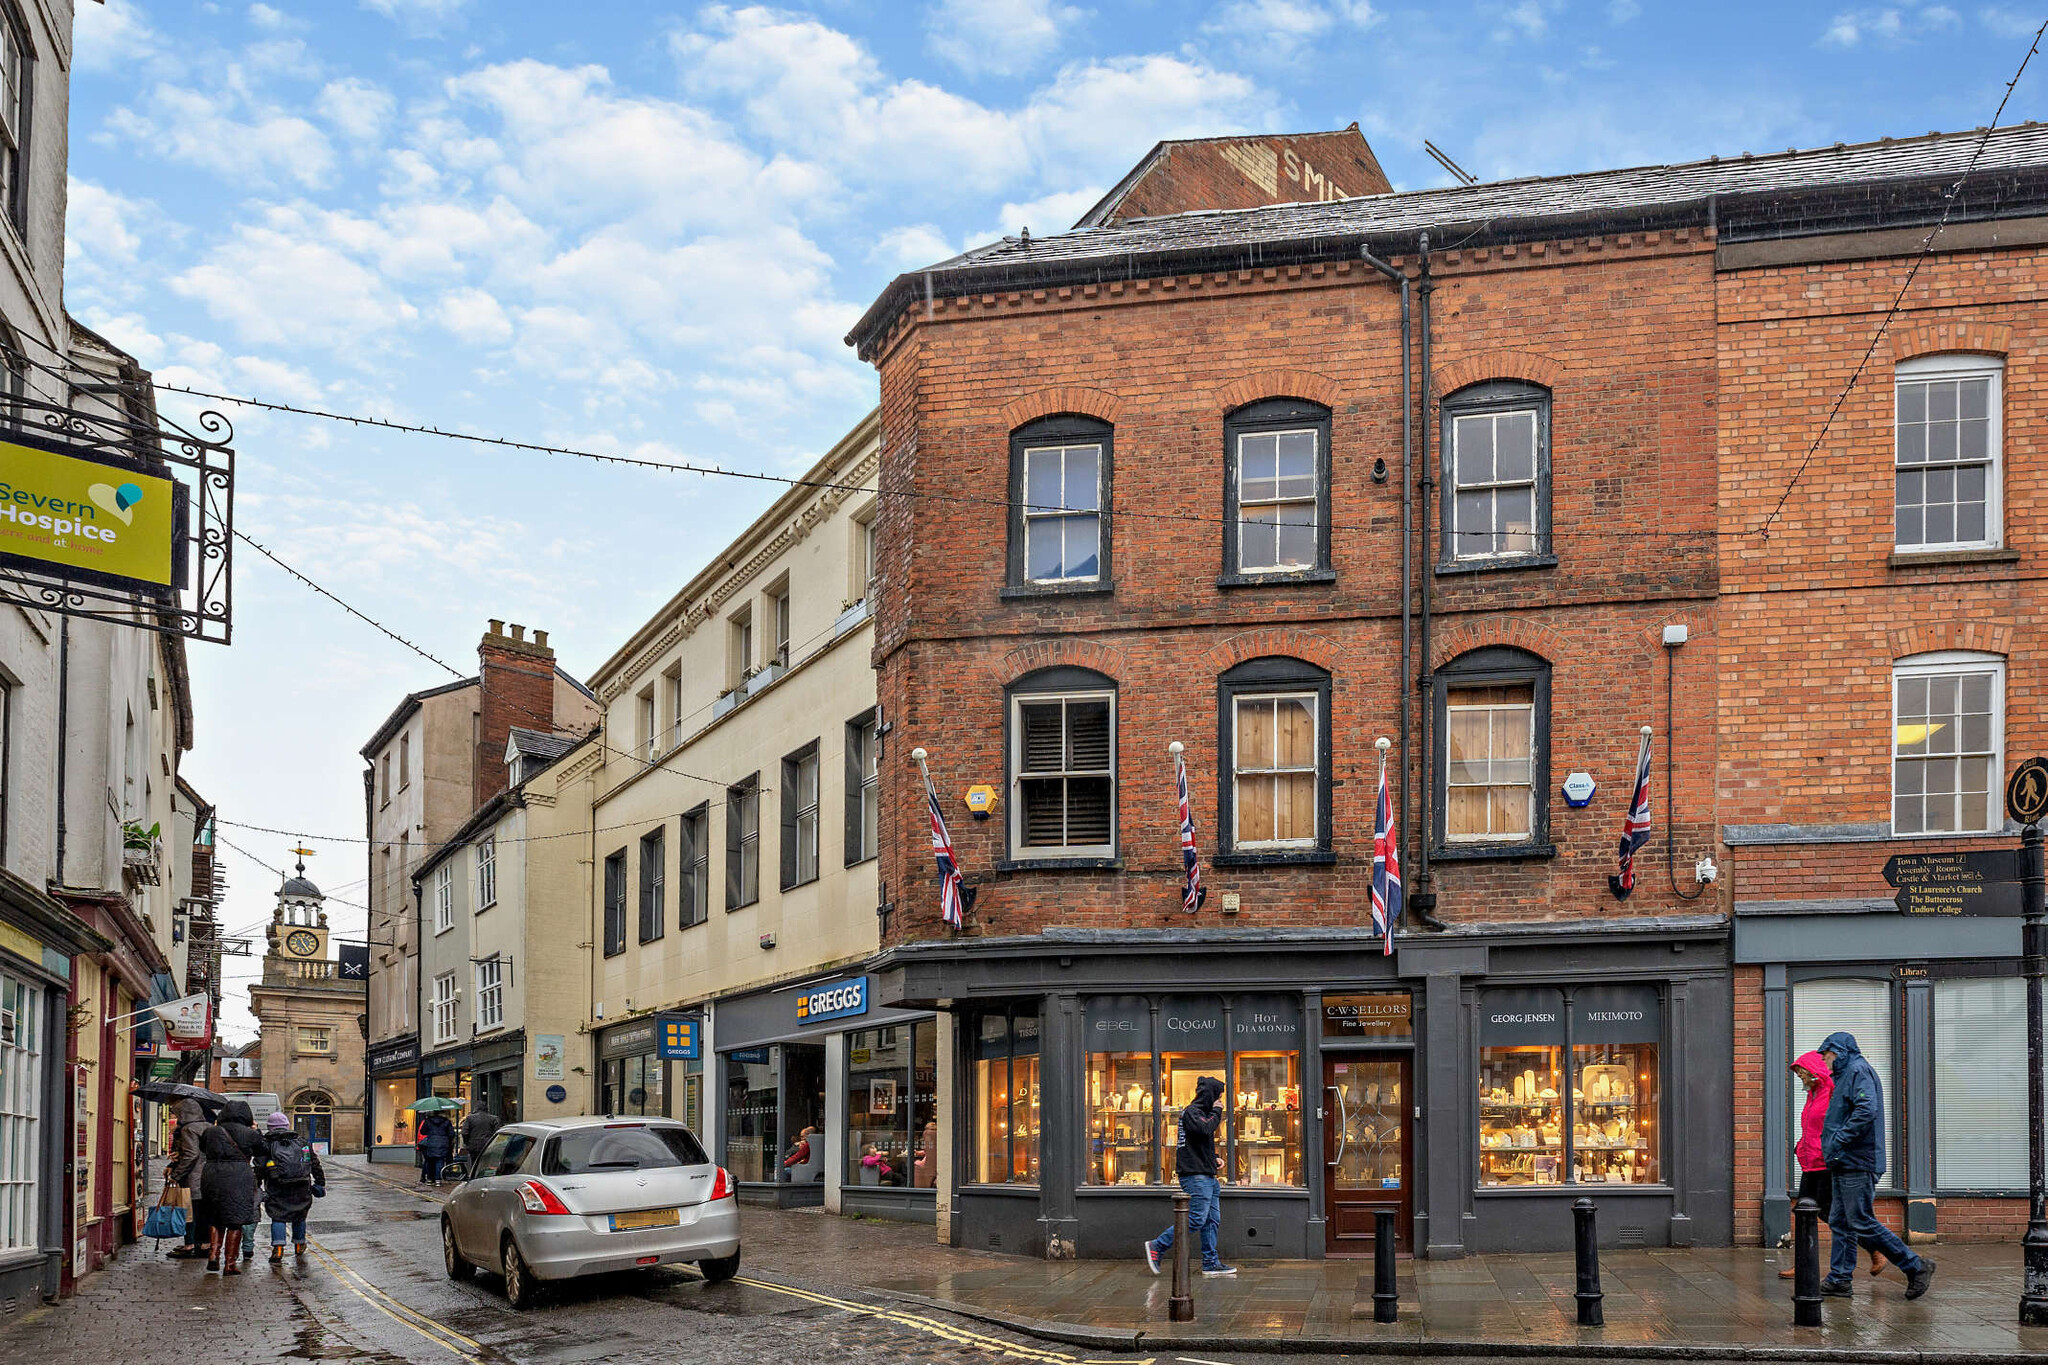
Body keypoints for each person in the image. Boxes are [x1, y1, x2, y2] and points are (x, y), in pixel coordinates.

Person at [1818, 1032, 1934, 1300]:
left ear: (1838, 1051)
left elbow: (1866, 1110)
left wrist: (1840, 1139)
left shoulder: (1858, 1070)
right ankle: (1839, 1279)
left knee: (1859, 1219)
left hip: (1858, 1159)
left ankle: (1915, 1266)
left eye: (1826, 1053)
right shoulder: (1847, 1073)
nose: (1823, 1059)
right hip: (1844, 1159)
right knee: (1840, 1221)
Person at [1143, 1076, 1235, 1278]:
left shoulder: (1199, 1113)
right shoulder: (1193, 1112)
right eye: (1218, 1096)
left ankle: (1210, 1263)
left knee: (1212, 1220)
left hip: (1206, 1175)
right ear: (1210, 1094)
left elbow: (1198, 1143)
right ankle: (1157, 1245)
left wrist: (1214, 1159)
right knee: (1195, 1219)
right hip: (1196, 1177)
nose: (1220, 1100)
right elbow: (1205, 1129)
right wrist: (1217, 1110)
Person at [197, 1100, 263, 1274]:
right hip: (239, 1177)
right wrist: (257, 1131)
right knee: (236, 1220)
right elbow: (262, 1150)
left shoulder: (210, 1131)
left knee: (215, 1217)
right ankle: (230, 1264)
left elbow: (202, 1148)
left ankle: (213, 1255)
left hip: (211, 1175)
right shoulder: (250, 1133)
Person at [259, 1111, 325, 1262]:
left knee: (278, 1217)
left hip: (277, 1186)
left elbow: (259, 1167)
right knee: (299, 1215)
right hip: (301, 1186)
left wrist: (257, 1186)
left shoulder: (266, 1144)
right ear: (287, 1126)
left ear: (270, 1128)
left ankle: (278, 1249)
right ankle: (299, 1244)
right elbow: (314, 1163)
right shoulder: (302, 1142)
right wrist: (320, 1182)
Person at [164, 1098, 213, 1260]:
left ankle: (190, 1245)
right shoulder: (207, 1126)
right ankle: (205, 1244)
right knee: (203, 1213)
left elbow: (192, 1155)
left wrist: (177, 1175)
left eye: (177, 1114)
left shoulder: (188, 1129)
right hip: (207, 1176)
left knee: (189, 1213)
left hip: (193, 1177)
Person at [460, 1106, 503, 1176]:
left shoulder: (470, 1118)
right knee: (487, 1163)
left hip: (474, 1144)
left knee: (474, 1163)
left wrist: (467, 1143)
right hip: (488, 1144)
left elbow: (465, 1133)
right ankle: (484, 1175)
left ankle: (474, 1176)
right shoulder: (493, 1118)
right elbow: (498, 1132)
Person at [417, 1108, 456, 1184]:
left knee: (430, 1161)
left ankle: (430, 1179)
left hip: (431, 1143)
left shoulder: (428, 1121)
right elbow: (451, 1134)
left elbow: (422, 1131)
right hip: (443, 1144)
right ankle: (438, 1179)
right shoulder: (446, 1121)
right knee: (440, 1161)